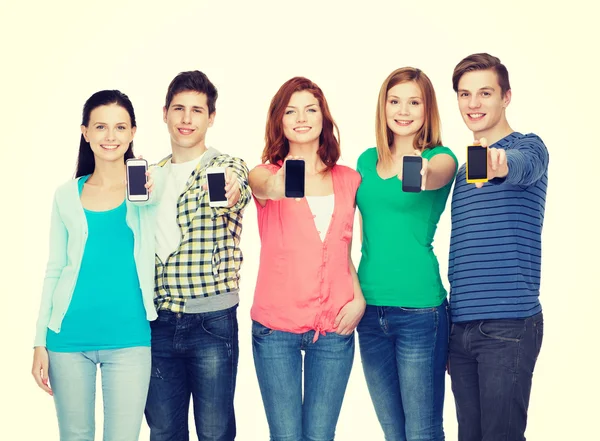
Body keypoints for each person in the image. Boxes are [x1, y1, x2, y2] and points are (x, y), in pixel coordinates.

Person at [31, 90, 159, 441]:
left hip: (130, 337)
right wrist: (39, 339)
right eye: (100, 127)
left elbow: (169, 242)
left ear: (133, 132)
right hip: (68, 337)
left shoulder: (149, 188)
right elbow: (54, 268)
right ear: (85, 132)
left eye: (120, 127)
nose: (110, 136)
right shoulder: (65, 195)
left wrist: (153, 197)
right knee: (75, 436)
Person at [248, 76, 364, 441]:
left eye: (310, 109)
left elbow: (341, 249)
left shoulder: (348, 179)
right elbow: (263, 187)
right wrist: (280, 183)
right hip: (275, 329)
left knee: (320, 437)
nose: (301, 118)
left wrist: (358, 298)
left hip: (334, 329)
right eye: (291, 111)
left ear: (323, 118)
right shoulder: (265, 174)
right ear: (279, 121)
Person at [144, 70, 251, 441]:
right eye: (179, 109)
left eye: (197, 110)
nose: (187, 119)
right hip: (156, 321)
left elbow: (234, 190)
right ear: (165, 113)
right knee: (163, 431)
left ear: (211, 118)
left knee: (215, 432)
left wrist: (233, 190)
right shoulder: (149, 176)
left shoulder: (226, 166)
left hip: (211, 321)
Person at [447, 53, 548, 441]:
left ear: (506, 96)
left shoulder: (530, 147)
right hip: (463, 327)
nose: (473, 104)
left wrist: (499, 163)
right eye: (464, 94)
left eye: (485, 93)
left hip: (509, 325)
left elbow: (520, 165)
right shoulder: (460, 173)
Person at [356, 67, 457, 441]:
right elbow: (362, 234)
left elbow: (437, 174)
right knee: (393, 432)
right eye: (395, 101)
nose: (403, 110)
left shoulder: (440, 157)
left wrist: (422, 169)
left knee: (423, 431)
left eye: (414, 102)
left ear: (427, 109)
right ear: (383, 107)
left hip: (420, 312)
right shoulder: (366, 162)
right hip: (368, 311)